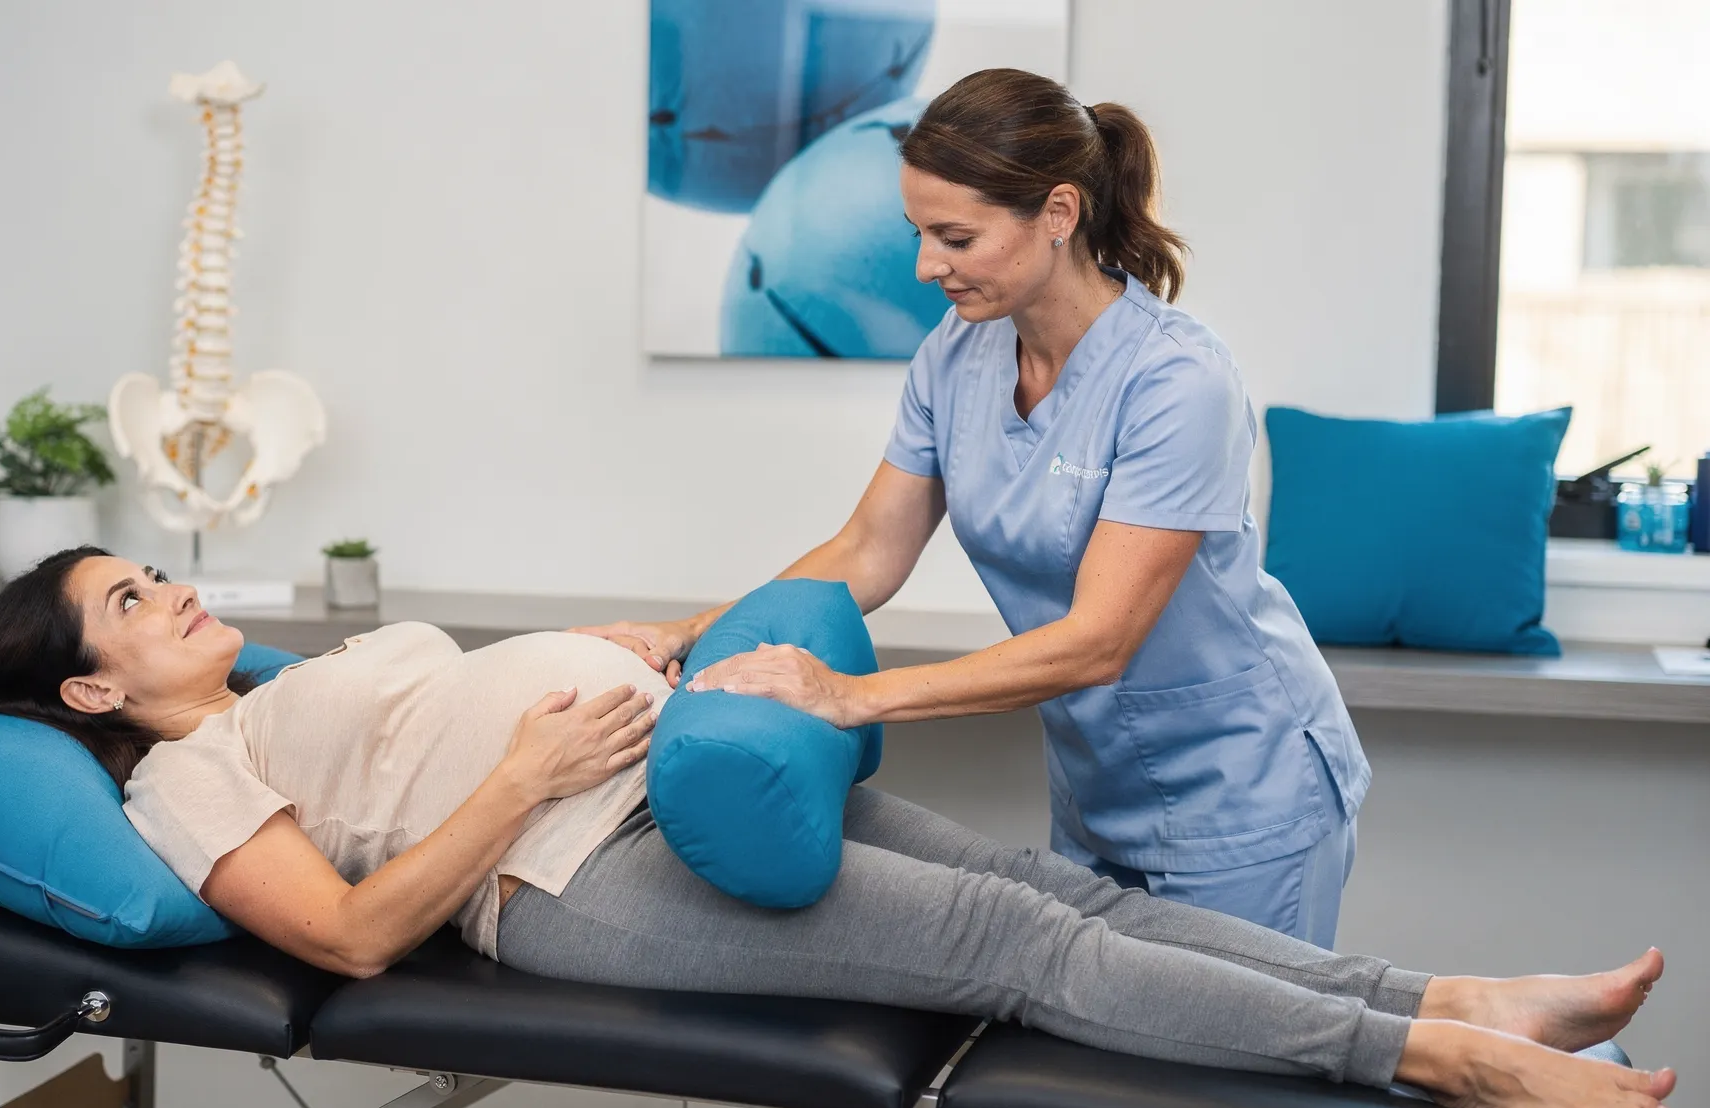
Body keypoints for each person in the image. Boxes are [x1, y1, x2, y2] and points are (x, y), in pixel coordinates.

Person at [0, 549, 1675, 1108]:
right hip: (572, 879)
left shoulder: (285, 679)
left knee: (1045, 890)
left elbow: (428, 725)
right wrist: (523, 756)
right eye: (126, 597)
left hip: (663, 778)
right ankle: (1440, 1060)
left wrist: (632, 653)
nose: (166, 585)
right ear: (94, 678)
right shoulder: (183, 781)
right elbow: (347, 937)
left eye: (146, 568)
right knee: (1027, 960)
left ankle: (1446, 989)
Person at [577, 68, 1371, 946]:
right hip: (1096, 790)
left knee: (1231, 1073)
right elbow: (868, 552)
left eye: (955, 236)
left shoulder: (1178, 382)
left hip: (1241, 790)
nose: (926, 266)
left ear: (1059, 215)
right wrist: (683, 631)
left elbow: (1099, 640)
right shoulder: (958, 355)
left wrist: (851, 697)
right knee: (1101, 1065)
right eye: (918, 233)